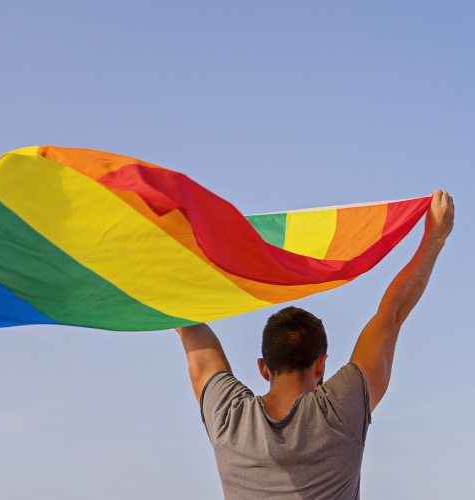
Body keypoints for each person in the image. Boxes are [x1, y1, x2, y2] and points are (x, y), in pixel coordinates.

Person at [176, 189, 454, 500]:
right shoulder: (341, 411)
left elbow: (187, 325)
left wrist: (164, 260)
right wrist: (433, 239)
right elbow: (392, 315)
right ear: (320, 364)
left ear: (264, 368)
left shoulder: (230, 418)